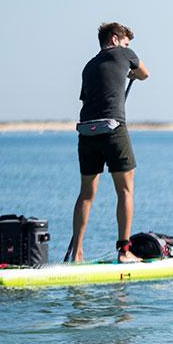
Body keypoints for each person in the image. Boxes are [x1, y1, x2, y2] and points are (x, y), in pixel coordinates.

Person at [71, 22, 150, 263]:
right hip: (113, 129)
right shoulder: (125, 54)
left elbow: (90, 96)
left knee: (86, 194)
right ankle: (124, 252)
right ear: (115, 40)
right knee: (125, 190)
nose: (127, 46)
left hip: (86, 131)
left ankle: (77, 253)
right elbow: (145, 74)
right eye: (126, 41)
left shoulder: (89, 66)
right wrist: (132, 72)